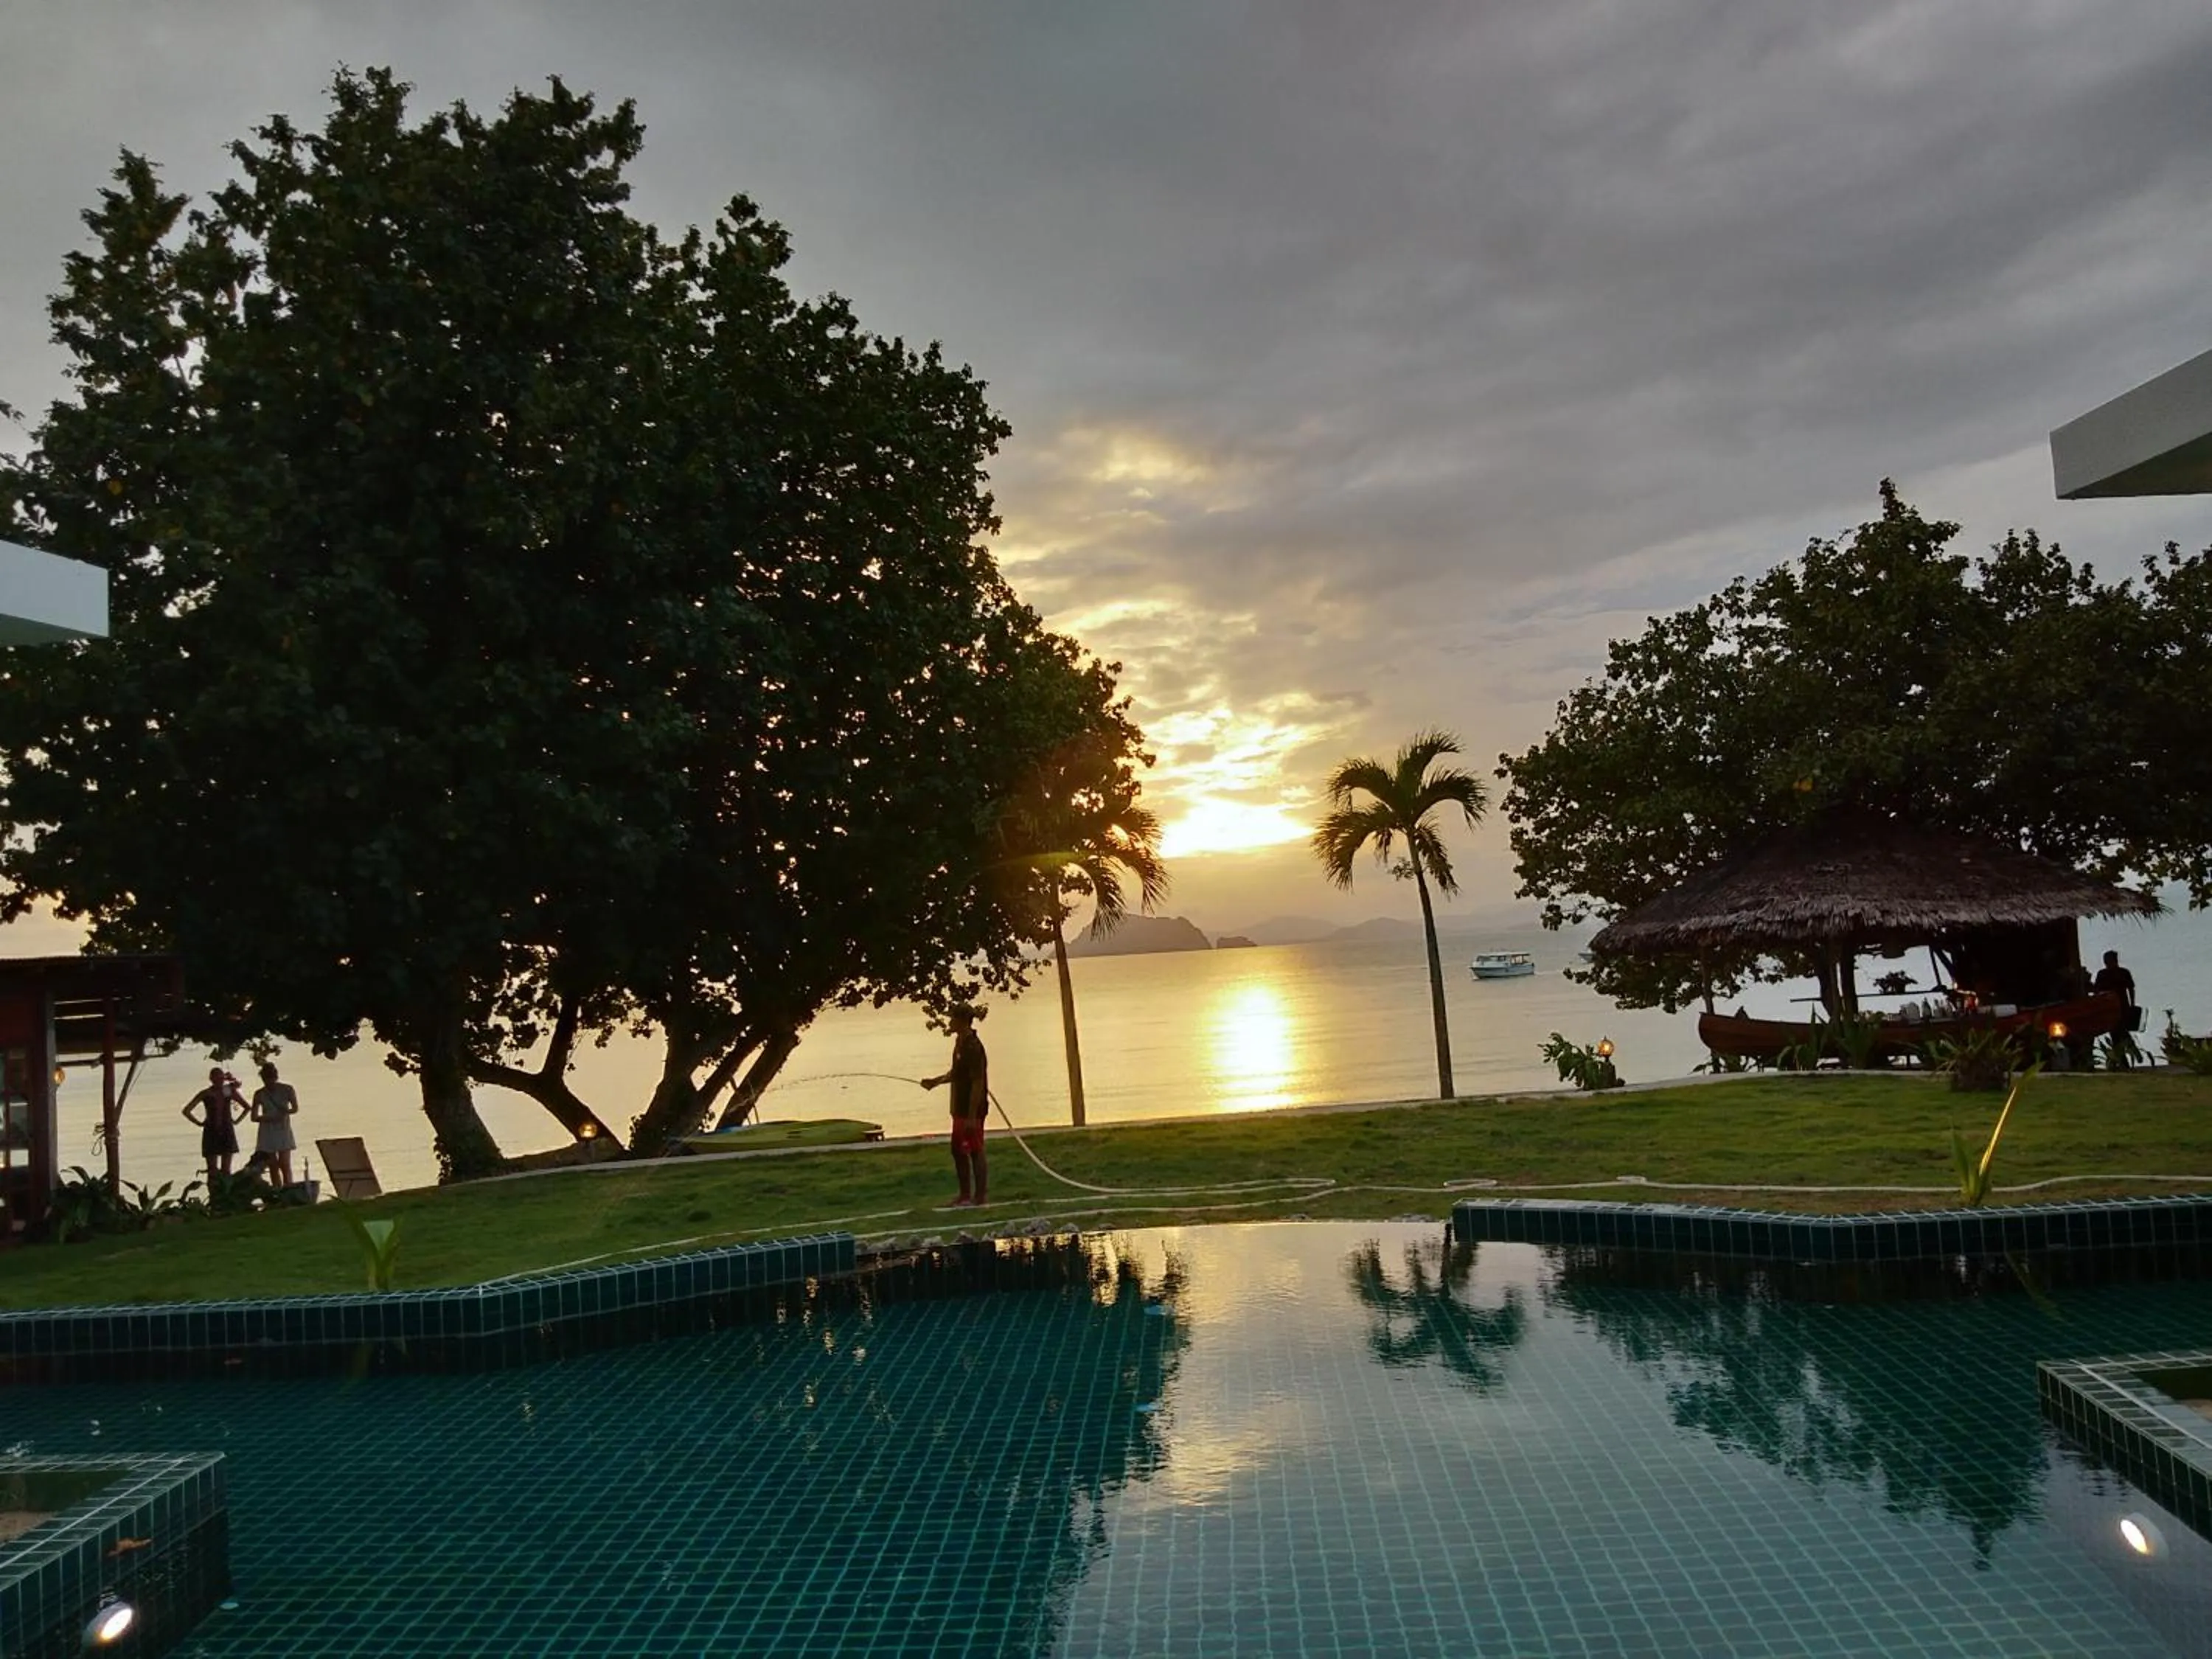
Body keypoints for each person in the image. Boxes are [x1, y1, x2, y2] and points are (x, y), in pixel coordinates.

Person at [922, 1007, 990, 1208]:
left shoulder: (973, 1047)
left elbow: (977, 1082)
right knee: (958, 1150)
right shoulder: (960, 1043)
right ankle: (965, 1195)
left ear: (962, 1020)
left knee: (975, 1150)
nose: (950, 1022)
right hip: (959, 1108)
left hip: (971, 1110)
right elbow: (956, 1073)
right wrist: (935, 1082)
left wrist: (971, 1117)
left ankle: (978, 1198)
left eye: (952, 1018)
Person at [182, 1068, 248, 1183]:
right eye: (217, 1078)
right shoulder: (209, 1093)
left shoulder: (226, 1091)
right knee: (213, 1170)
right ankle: (216, 1191)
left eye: (221, 1078)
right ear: (211, 1079)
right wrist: (199, 1123)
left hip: (224, 1129)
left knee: (224, 1169)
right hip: (214, 1130)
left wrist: (237, 1121)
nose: (219, 1081)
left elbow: (247, 1106)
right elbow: (186, 1111)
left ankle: (224, 1191)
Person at [250, 1061, 302, 1186]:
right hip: (267, 1131)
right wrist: (269, 1118)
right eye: (266, 1079)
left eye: (270, 1078)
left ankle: (288, 1188)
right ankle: (278, 1190)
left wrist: (285, 1112)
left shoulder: (287, 1089)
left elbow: (295, 1108)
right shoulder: (260, 1094)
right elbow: (254, 1117)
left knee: (284, 1163)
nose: (269, 1082)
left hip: (283, 1128)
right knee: (273, 1165)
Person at [2093, 950, 2141, 1066]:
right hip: (2111, 1008)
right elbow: (2097, 992)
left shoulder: (2122, 973)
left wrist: (2132, 1004)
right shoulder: (2104, 974)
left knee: (2121, 1031)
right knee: (2116, 1034)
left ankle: (2128, 1054)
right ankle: (2123, 1060)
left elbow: (2130, 989)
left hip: (2121, 1007)